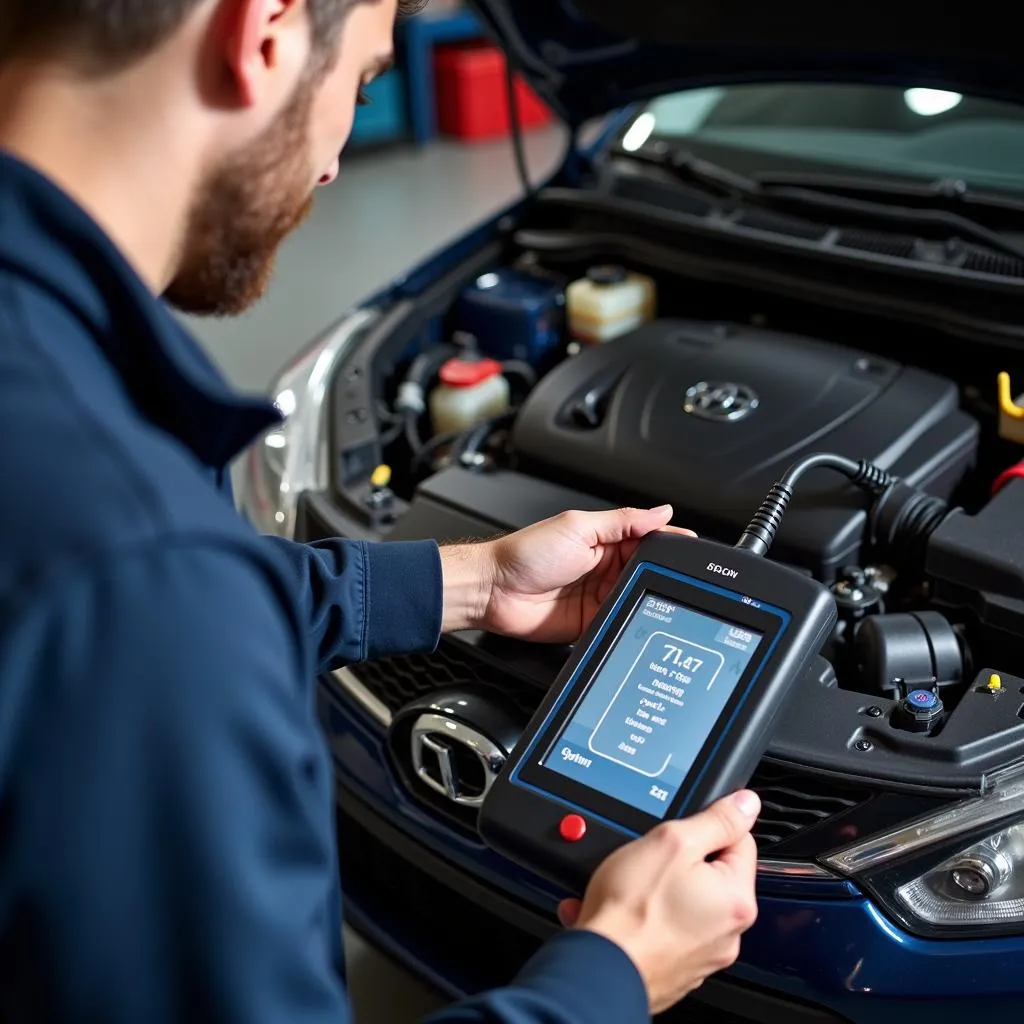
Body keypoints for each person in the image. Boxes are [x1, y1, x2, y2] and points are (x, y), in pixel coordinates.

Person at [0, 1, 761, 1022]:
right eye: (359, 84)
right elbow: (149, 596)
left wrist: (471, 581)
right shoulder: (145, 568)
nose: (333, 161)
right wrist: (614, 972)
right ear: (263, 30)